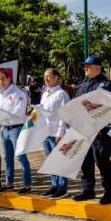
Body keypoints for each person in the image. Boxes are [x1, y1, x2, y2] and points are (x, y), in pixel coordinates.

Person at [74, 55, 111, 204]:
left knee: (101, 160)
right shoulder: (82, 85)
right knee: (85, 160)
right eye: (85, 66)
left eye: (88, 66)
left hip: (101, 130)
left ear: (98, 68)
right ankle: (88, 190)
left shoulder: (107, 85)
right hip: (84, 129)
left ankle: (109, 192)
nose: (85, 68)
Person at [0, 70, 32, 194]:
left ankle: (26, 184)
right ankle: (9, 183)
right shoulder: (0, 94)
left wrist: (2, 116)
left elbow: (19, 112)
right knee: (7, 158)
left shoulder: (18, 93)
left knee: (21, 157)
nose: (0, 82)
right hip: (5, 129)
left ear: (8, 78)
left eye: (2, 79)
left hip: (16, 129)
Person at [40, 68, 70, 199]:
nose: (46, 79)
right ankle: (54, 185)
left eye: (49, 76)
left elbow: (65, 116)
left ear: (57, 78)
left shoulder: (62, 94)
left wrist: (60, 133)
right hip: (46, 132)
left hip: (56, 133)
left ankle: (62, 187)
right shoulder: (45, 94)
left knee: (60, 160)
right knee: (50, 161)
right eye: (45, 76)